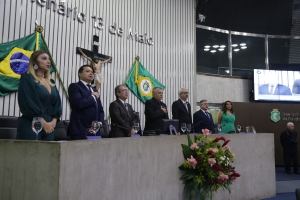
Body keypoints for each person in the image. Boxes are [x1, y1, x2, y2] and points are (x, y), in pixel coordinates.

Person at [16, 50, 62, 140]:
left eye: (49, 59)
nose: (48, 61)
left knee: (48, 154)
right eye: (44, 58)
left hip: (50, 127)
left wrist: (53, 122)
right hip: (31, 124)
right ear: (34, 62)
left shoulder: (51, 82)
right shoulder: (27, 78)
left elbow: (57, 104)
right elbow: (28, 101)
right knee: (31, 153)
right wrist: (42, 122)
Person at [68, 65, 105, 140]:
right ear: (80, 74)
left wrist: (99, 123)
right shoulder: (75, 86)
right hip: (80, 130)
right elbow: (78, 104)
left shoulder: (94, 90)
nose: (91, 73)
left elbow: (100, 110)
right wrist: (93, 97)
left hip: (95, 131)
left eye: (92, 72)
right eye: (87, 71)